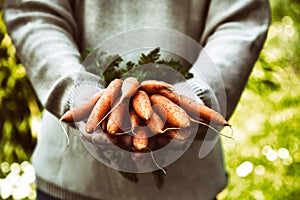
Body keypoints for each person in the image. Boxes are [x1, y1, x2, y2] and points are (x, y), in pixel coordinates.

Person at [4, 0, 270, 199]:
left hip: (187, 185)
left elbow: (240, 19)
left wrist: (192, 99)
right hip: (70, 178)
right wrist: (79, 95)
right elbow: (34, 10)